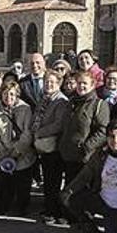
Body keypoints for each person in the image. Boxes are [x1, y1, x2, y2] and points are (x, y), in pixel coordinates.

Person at [59, 71, 110, 225]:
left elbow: (103, 130)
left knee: (82, 189)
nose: (81, 86)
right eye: (79, 83)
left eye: (84, 84)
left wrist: (87, 146)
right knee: (69, 186)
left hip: (86, 156)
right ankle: (71, 215)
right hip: (69, 153)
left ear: (92, 85)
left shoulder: (99, 104)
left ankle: (85, 219)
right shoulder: (72, 102)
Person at [0, 81, 35, 216]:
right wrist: (1, 152)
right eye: (6, 94)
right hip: (3, 151)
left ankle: (22, 207)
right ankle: (4, 206)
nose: (9, 97)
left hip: (22, 152)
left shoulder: (25, 109)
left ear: (17, 95)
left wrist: (16, 152)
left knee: (22, 183)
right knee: (4, 184)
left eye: (12, 94)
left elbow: (27, 132)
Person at [31, 72, 71, 224]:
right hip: (44, 146)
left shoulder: (61, 101)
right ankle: (49, 208)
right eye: (47, 81)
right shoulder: (45, 99)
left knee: (53, 181)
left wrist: (39, 132)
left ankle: (54, 210)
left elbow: (58, 124)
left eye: (52, 82)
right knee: (48, 179)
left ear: (59, 84)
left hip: (54, 146)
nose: (49, 84)